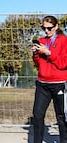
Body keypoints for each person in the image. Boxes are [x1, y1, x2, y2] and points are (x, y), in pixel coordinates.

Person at [32, 15, 67, 143]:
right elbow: (37, 63)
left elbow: (63, 63)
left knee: (61, 116)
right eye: (43, 28)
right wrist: (36, 53)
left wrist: (49, 53)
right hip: (42, 84)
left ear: (56, 27)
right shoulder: (42, 40)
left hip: (59, 83)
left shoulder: (64, 41)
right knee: (37, 114)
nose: (46, 31)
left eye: (49, 28)